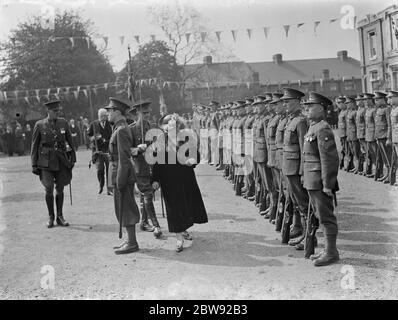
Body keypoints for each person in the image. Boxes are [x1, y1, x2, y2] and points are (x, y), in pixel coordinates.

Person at [151, 114, 208, 252]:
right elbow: (156, 163)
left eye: (175, 126)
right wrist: (155, 179)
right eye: (169, 126)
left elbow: (196, 155)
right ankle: (179, 238)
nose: (172, 129)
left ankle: (183, 229)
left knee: (185, 205)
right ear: (164, 128)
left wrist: (192, 160)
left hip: (185, 178)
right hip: (168, 180)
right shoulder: (160, 140)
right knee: (173, 209)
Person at [302, 92, 340, 266]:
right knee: (319, 215)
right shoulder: (313, 127)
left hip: (319, 181)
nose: (307, 109)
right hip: (311, 179)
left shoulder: (323, 128)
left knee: (326, 217)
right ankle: (326, 250)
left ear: (321, 109)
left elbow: (329, 160)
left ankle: (331, 252)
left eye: (311, 106)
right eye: (306, 106)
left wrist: (328, 185)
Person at [31, 100, 76, 228]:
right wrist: (34, 164)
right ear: (48, 111)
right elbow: (34, 146)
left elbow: (70, 140)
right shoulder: (39, 125)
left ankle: (60, 216)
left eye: (58, 111)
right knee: (49, 187)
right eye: (54, 111)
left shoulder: (63, 123)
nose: (57, 113)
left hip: (61, 159)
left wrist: (73, 157)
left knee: (60, 187)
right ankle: (51, 217)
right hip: (45, 161)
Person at [105, 97, 141, 255]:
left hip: (122, 174)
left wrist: (119, 180)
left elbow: (124, 158)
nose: (108, 114)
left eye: (110, 111)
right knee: (122, 207)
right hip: (118, 171)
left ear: (117, 112)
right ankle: (129, 240)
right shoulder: (118, 128)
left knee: (126, 208)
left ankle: (132, 243)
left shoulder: (121, 130)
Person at [129, 100, 163, 238]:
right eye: (144, 113)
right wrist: (138, 149)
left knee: (147, 195)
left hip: (152, 168)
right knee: (148, 194)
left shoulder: (153, 127)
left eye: (148, 112)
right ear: (137, 113)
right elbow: (127, 149)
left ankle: (143, 222)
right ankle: (156, 225)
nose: (147, 115)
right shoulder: (131, 129)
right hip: (139, 168)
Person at [87, 108, 113, 195]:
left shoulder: (110, 124)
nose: (103, 118)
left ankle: (109, 189)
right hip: (98, 151)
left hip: (108, 149)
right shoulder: (93, 124)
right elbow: (89, 136)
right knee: (100, 170)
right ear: (98, 116)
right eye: (101, 116)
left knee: (109, 169)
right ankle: (101, 185)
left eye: (104, 116)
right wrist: (93, 138)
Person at [387, 90, 398, 186]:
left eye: (390, 97)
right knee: (396, 159)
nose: (389, 100)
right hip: (395, 139)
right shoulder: (393, 109)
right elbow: (391, 126)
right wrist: (390, 138)